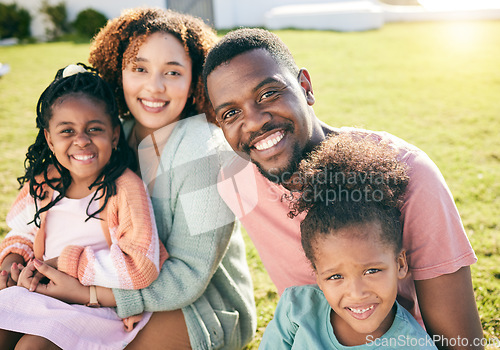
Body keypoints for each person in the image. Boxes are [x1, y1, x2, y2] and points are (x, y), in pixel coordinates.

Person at [203, 28, 484, 349]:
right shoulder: (236, 182)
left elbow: (462, 342)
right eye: (231, 113)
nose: (252, 122)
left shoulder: (410, 175)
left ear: (305, 87)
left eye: (268, 93)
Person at [0, 8, 257, 350]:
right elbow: (45, 213)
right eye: (139, 68)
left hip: (196, 306)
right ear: (117, 71)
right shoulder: (109, 136)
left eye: (173, 72)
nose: (155, 86)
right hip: (104, 285)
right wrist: (19, 262)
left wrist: (90, 294)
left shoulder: (207, 154)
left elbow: (187, 280)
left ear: (196, 78)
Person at [0, 63, 166, 349]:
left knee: (32, 346)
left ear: (114, 135)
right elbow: (22, 233)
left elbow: (142, 266)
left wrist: (65, 266)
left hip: (94, 305)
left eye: (94, 129)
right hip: (39, 293)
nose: (82, 140)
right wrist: (13, 263)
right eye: (67, 131)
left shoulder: (124, 188)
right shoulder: (43, 182)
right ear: (50, 139)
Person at [260, 133, 437, 349]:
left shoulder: (414, 345)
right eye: (335, 276)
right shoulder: (297, 308)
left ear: (400, 264)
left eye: (371, 271)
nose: (356, 293)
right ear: (317, 276)